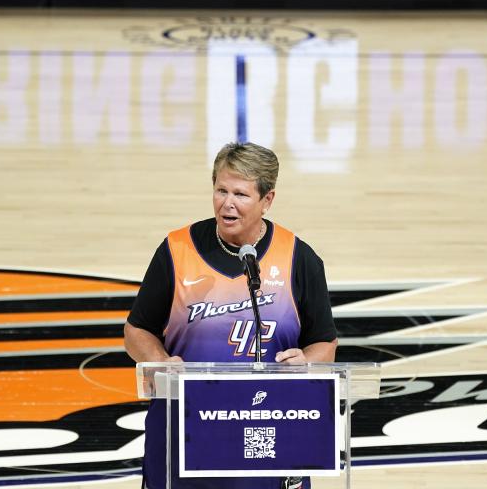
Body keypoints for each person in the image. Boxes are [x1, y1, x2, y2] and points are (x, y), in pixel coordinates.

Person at [125, 142, 338, 489]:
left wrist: (307, 362)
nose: (227, 203)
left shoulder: (299, 258)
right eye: (221, 190)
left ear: (267, 200)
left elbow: (325, 344)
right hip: (187, 429)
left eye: (240, 194)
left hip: (266, 428)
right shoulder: (176, 250)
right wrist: (160, 360)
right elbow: (136, 332)